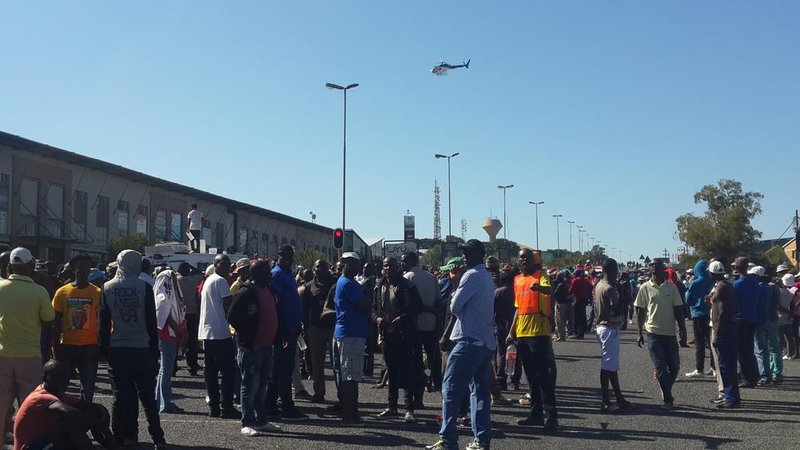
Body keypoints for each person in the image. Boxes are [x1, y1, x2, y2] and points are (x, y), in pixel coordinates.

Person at [427, 240, 495, 450]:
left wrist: (456, 289)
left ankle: (448, 440)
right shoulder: (487, 277)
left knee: (451, 389)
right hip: (484, 341)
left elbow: (455, 306)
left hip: (468, 340)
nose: (465, 255)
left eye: (469, 252)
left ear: (480, 254)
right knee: (480, 393)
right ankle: (481, 440)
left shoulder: (472, 274)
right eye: (464, 252)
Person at [98, 249, 166, 448]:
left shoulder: (107, 287)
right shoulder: (144, 287)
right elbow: (151, 322)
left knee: (119, 397)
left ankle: (117, 438)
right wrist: (154, 349)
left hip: (118, 347)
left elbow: (103, 323)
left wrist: (104, 349)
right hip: (142, 347)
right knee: (147, 397)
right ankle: (158, 437)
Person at [0, 247, 56, 441]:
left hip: (2, 355)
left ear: (10, 267)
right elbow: (49, 320)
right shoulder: (39, 291)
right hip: (29, 356)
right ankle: (25, 444)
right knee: (29, 406)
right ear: (31, 266)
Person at [227, 259, 282, 436]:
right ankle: (247, 421)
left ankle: (261, 420)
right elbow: (233, 317)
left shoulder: (270, 290)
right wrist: (247, 335)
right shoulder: (245, 293)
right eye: (267, 271)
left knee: (262, 385)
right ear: (257, 274)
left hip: (267, 345)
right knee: (249, 384)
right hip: (251, 347)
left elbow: (275, 313)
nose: (270, 274)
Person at [506, 249, 558, 430]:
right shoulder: (517, 280)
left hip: (538, 332)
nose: (523, 260)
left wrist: (540, 288)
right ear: (518, 262)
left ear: (533, 261)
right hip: (522, 333)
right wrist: (511, 332)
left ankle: (551, 416)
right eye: (521, 258)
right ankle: (535, 415)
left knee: (543, 376)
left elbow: (550, 289)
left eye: (527, 257)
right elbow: (518, 309)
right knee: (531, 378)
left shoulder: (540, 275)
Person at [13, 360, 116, 450]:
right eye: (56, 377)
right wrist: (97, 420)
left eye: (64, 376)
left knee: (91, 413)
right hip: (31, 447)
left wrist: (100, 412)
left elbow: (88, 405)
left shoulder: (59, 393)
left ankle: (112, 446)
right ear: (45, 378)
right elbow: (73, 414)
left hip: (45, 442)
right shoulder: (40, 396)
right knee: (70, 424)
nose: (62, 380)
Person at [375, 257, 424, 423]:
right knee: (391, 370)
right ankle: (392, 406)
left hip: (405, 334)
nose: (388, 268)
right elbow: (374, 308)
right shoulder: (379, 285)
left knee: (407, 371)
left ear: (397, 267)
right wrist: (376, 319)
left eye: (391, 265)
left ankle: (409, 409)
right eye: (385, 265)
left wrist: (403, 318)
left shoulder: (407, 285)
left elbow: (418, 306)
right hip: (387, 334)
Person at [635, 258, 685, 409]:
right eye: (652, 267)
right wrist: (639, 332)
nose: (655, 269)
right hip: (653, 333)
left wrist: (683, 329)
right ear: (650, 270)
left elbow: (678, 310)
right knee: (661, 367)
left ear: (664, 269)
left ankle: (665, 386)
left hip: (670, 333)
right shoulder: (645, 287)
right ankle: (668, 399)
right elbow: (641, 311)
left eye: (658, 267)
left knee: (674, 367)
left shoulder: (672, 288)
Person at [266, 245, 308, 421]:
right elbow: (275, 304)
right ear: (280, 256)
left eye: (291, 256)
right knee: (284, 368)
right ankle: (286, 407)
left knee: (281, 368)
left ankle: (271, 405)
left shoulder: (288, 273)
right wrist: (283, 328)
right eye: (286, 256)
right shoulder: (277, 274)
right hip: (283, 330)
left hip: (292, 327)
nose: (289, 259)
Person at [52, 254, 101, 402]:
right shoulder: (62, 292)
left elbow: (102, 319)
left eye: (87, 267)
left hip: (90, 346)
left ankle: (85, 417)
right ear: (74, 269)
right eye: (80, 267)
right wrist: (55, 346)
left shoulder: (97, 292)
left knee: (88, 388)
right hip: (68, 346)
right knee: (62, 385)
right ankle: (62, 416)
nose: (84, 270)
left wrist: (101, 344)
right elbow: (56, 321)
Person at [333, 252, 372, 423]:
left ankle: (351, 410)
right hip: (351, 333)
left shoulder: (347, 282)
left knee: (349, 375)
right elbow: (363, 305)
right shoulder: (348, 283)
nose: (358, 267)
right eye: (355, 264)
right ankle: (349, 414)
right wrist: (370, 299)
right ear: (347, 264)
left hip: (348, 332)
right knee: (350, 376)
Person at [198, 254, 238, 418]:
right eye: (226, 263)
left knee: (211, 372)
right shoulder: (220, 281)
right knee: (228, 371)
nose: (228, 267)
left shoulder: (209, 279)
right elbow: (230, 303)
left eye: (229, 264)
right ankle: (226, 407)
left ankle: (214, 406)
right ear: (217, 264)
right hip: (220, 331)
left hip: (207, 331)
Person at [402, 251, 442, 396]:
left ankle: (421, 384)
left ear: (412, 261)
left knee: (416, 358)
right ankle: (437, 382)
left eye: (404, 260)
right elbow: (439, 300)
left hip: (415, 324)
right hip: (431, 322)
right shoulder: (431, 277)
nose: (402, 264)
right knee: (433, 356)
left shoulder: (406, 278)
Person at [593, 259, 631, 413]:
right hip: (609, 328)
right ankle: (606, 401)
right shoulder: (610, 288)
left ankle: (618, 397)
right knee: (607, 366)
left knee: (611, 366)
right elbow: (617, 307)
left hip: (603, 327)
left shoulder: (599, 284)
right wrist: (623, 292)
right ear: (612, 270)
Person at [299, 259, 336, 403]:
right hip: (315, 328)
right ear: (313, 269)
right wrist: (306, 327)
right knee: (317, 363)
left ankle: (342, 395)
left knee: (336, 363)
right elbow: (305, 308)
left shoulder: (335, 283)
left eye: (322, 267)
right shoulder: (308, 286)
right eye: (317, 267)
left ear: (328, 268)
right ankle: (319, 393)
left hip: (333, 327)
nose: (319, 269)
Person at [707, 260, 740, 408]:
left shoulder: (721, 288)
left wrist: (718, 333)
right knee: (725, 364)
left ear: (712, 274)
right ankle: (727, 394)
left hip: (723, 331)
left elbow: (723, 312)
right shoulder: (727, 285)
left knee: (726, 365)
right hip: (729, 329)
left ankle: (731, 397)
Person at [153, 269, 187, 413]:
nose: (174, 279)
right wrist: (178, 329)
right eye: (171, 277)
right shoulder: (162, 295)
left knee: (164, 370)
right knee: (166, 370)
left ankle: (160, 401)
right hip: (167, 334)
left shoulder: (171, 294)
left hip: (171, 333)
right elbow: (164, 314)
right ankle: (165, 403)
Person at [731, 257, 760, 388]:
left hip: (740, 319)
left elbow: (734, 303)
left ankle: (747, 378)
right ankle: (754, 376)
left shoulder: (737, 284)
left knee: (741, 351)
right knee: (749, 349)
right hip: (752, 318)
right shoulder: (754, 282)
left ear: (737, 268)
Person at [684, 260, 714, 378]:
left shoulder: (695, 282)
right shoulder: (712, 281)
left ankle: (699, 368)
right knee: (711, 342)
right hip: (711, 313)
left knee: (699, 342)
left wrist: (693, 304)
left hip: (698, 314)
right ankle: (713, 367)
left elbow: (688, 299)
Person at [176, 262, 202, 376]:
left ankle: (173, 366)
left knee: (177, 340)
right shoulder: (193, 280)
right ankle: (192, 366)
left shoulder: (176, 281)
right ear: (188, 270)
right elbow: (200, 273)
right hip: (192, 313)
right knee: (192, 341)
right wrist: (191, 267)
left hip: (179, 314)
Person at [778, 273, 797, 360]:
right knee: (789, 337)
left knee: (781, 337)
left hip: (780, 317)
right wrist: (791, 313)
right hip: (788, 317)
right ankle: (789, 353)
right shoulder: (790, 292)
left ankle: (781, 352)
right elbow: (792, 305)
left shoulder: (778, 292)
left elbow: (778, 306)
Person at [569, 269, 591, 339]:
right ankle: (582, 333)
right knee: (582, 316)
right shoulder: (585, 280)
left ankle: (577, 333)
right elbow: (590, 287)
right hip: (584, 300)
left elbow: (570, 290)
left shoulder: (576, 280)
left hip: (578, 300)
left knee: (576, 317)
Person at [552, 271, 572, 342]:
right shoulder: (564, 284)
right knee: (561, 320)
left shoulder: (560, 285)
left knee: (559, 320)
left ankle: (561, 336)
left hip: (560, 303)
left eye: (558, 276)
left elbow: (555, 294)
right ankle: (558, 335)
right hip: (564, 303)